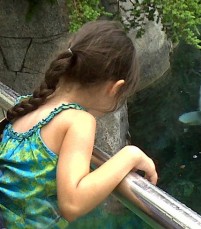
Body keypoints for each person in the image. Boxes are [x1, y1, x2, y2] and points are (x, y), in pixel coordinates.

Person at [0, 20, 158, 228]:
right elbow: (72, 204)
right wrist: (130, 155)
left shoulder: (27, 105)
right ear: (115, 88)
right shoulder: (79, 121)